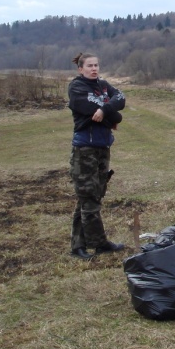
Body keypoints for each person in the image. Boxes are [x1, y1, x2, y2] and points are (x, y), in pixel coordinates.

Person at [68, 52, 127, 260]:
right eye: (89, 65)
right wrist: (111, 114)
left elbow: (121, 99)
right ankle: (97, 243)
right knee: (88, 197)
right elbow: (88, 108)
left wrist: (105, 110)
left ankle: (78, 246)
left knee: (93, 195)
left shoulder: (103, 86)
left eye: (96, 65)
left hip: (103, 147)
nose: (94, 69)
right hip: (85, 148)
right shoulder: (76, 88)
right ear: (80, 68)